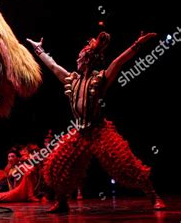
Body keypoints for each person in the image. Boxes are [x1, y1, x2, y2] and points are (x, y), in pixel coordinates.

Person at [27, 31, 166, 212]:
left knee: (126, 165)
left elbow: (118, 62)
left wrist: (136, 44)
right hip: (80, 133)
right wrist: (39, 49)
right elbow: (53, 66)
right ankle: (62, 202)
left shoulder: (99, 80)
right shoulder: (72, 79)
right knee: (56, 167)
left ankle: (154, 196)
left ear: (87, 59)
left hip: (99, 131)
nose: (77, 59)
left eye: (80, 57)